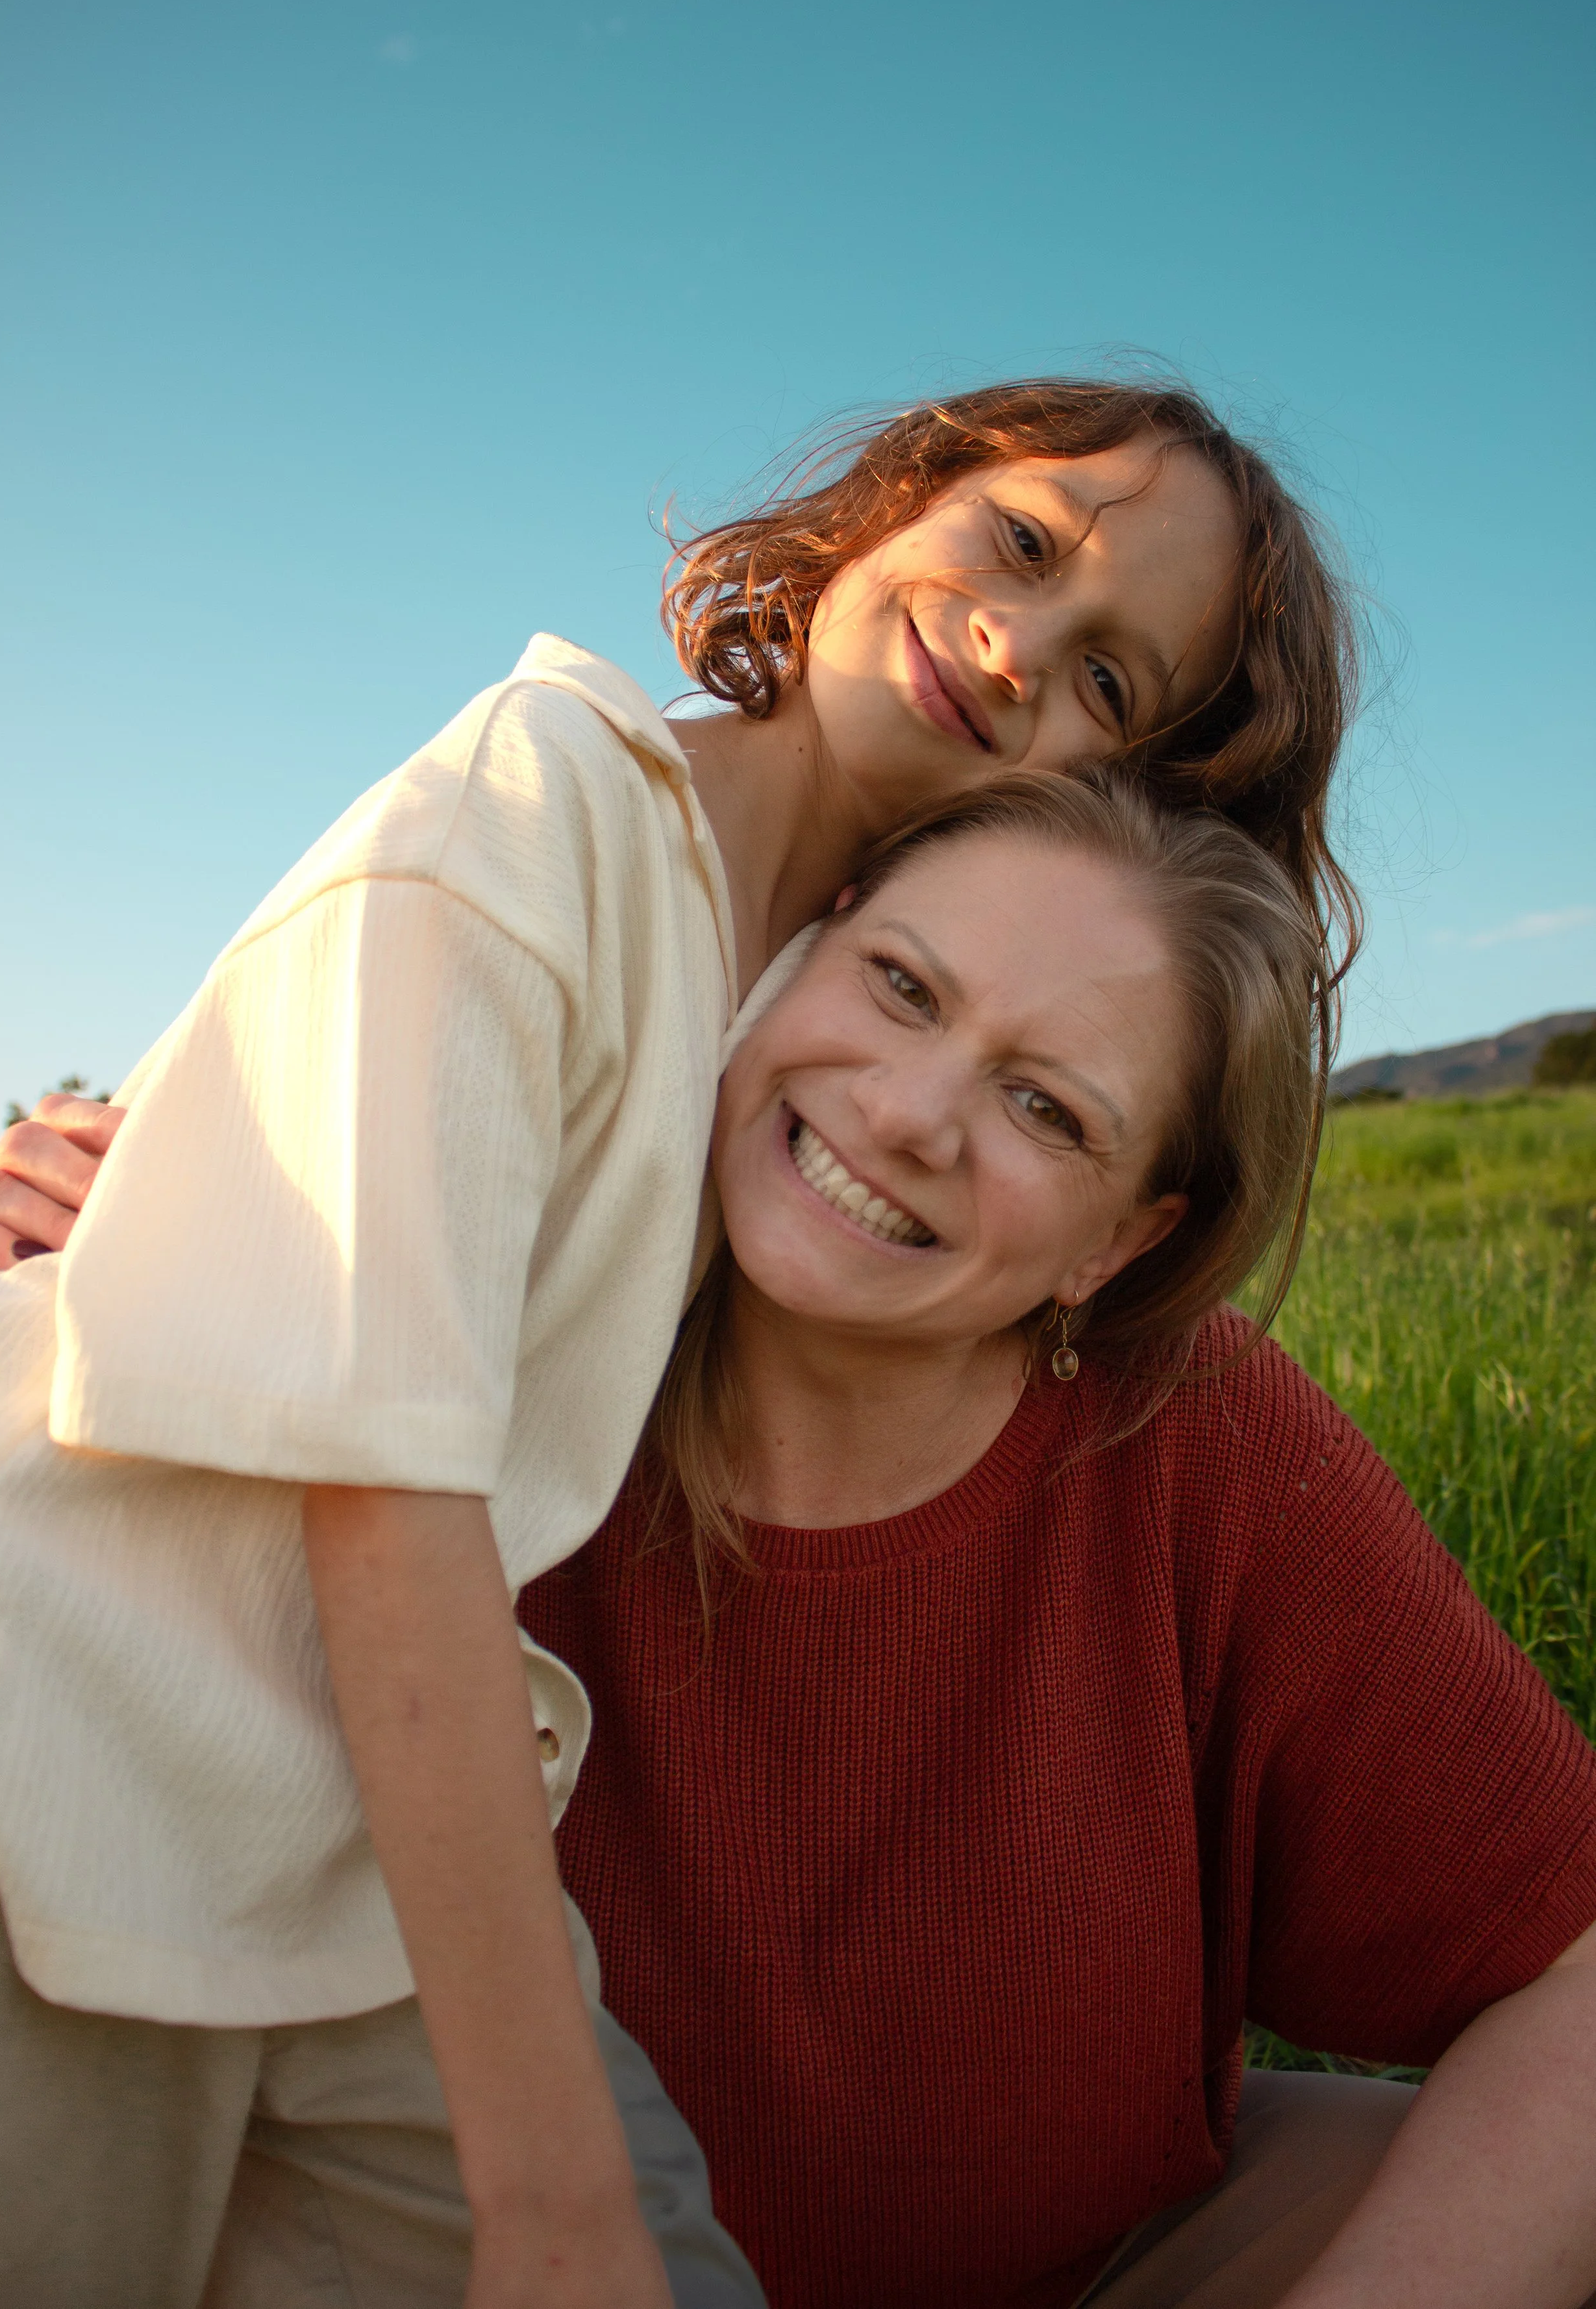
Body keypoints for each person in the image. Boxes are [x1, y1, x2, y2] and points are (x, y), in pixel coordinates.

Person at [0, 380, 1363, 2309]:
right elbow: (381, 1482)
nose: (1014, 645)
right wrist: (547, 2193)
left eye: (1108, 684)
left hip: (339, 1865)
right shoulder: (545, 789)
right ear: (892, 501)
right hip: (55, 1743)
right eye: (1020, 545)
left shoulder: (813, 1036)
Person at [518, 777, 1596, 2309]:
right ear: (792, 956)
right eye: (898, 985)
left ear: (1119, 1241)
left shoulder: (1194, 1438)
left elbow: (1574, 1966)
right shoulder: (489, 1318)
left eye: (1045, 1107)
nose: (903, 1112)